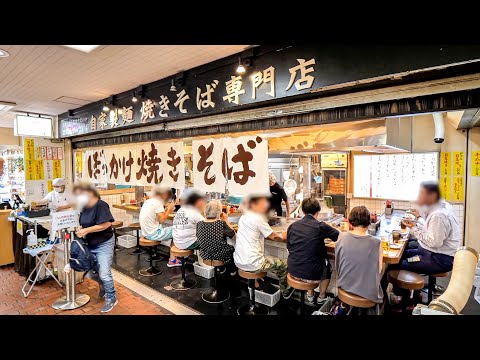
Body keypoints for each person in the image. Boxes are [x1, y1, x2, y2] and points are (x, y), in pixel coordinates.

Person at [234, 194, 294, 299]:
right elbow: (274, 237)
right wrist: (284, 235)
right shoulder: (258, 218)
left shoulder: (244, 216)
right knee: (284, 265)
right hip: (253, 263)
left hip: (238, 261)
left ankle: (255, 285)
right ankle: (286, 292)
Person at [73, 181, 117, 313]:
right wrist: (81, 228)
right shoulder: (85, 207)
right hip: (90, 243)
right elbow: (83, 222)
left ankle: (112, 298)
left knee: (104, 272)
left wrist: (86, 231)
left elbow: (107, 224)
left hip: (104, 243)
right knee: (90, 273)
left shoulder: (100, 205)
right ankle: (103, 285)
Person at [400, 181, 462, 274]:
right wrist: (417, 220)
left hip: (439, 259)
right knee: (402, 255)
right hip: (432, 252)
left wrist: (413, 228)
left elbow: (434, 242)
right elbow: (430, 229)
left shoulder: (438, 215)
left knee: (396, 264)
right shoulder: (441, 205)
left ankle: (404, 288)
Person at [287, 198, 339, 305]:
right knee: (326, 265)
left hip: (293, 271)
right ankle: (321, 297)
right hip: (311, 275)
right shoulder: (321, 226)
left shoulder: (292, 226)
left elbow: (289, 247)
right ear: (318, 212)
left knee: (306, 257)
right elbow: (338, 236)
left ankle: (310, 296)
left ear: (302, 211)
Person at [335, 206, 383, 304]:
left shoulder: (341, 237)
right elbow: (379, 270)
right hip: (368, 293)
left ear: (350, 221)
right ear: (369, 222)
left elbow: (338, 265)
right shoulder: (377, 243)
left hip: (344, 285)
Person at [139, 184, 179, 267]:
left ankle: (173, 259)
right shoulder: (158, 202)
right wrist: (170, 209)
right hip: (153, 234)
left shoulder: (149, 201)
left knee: (173, 229)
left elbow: (157, 216)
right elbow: (162, 220)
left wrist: (167, 210)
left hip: (146, 233)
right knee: (177, 230)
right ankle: (173, 260)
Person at [197, 200, 237, 275]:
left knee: (214, 246)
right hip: (220, 256)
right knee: (231, 248)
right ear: (219, 212)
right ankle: (232, 271)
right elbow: (235, 237)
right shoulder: (221, 224)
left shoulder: (199, 224)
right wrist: (226, 220)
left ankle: (221, 268)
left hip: (204, 254)